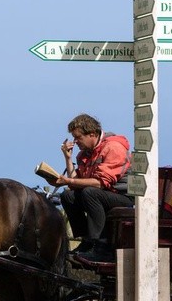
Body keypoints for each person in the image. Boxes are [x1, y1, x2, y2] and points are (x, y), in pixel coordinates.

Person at [55, 113, 133, 263]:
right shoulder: (84, 154)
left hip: (123, 197)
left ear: (92, 134)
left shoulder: (113, 147)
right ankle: (86, 242)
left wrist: (69, 180)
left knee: (90, 192)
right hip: (101, 194)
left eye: (78, 137)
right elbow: (76, 182)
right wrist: (68, 158)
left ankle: (101, 246)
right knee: (68, 196)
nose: (75, 142)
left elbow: (100, 183)